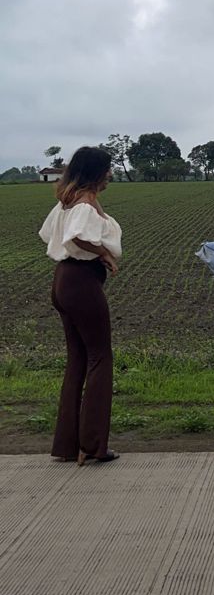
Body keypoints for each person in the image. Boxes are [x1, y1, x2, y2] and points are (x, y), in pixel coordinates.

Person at [39, 146, 122, 465]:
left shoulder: (69, 202)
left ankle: (67, 444)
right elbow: (76, 238)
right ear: (97, 173)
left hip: (63, 281)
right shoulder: (83, 206)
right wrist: (102, 253)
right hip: (82, 281)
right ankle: (93, 444)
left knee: (78, 358)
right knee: (100, 357)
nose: (111, 175)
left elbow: (50, 235)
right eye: (108, 170)